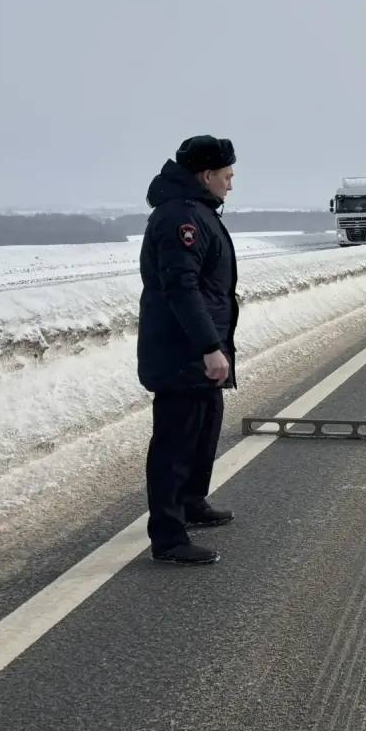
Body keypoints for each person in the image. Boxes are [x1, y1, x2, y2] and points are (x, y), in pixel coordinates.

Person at [137, 135, 239, 566]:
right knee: (175, 442)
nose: (231, 184)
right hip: (183, 352)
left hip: (198, 350)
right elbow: (182, 287)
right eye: (227, 176)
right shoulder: (181, 218)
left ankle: (192, 502)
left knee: (205, 428)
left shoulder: (196, 211)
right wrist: (209, 347)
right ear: (206, 175)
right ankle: (168, 536)